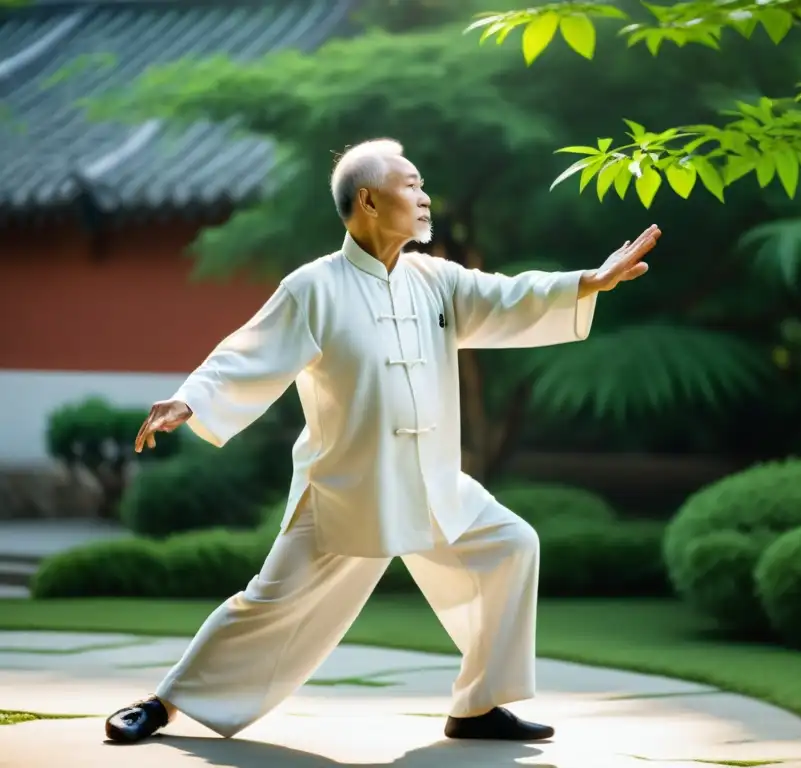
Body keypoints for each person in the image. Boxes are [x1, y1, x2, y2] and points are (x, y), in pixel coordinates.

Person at [104, 138, 661, 745]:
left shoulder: (436, 279)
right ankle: (163, 703)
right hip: (349, 489)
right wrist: (192, 399)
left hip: (434, 485)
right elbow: (249, 352)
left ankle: (477, 707)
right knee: (269, 603)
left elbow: (508, 295)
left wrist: (589, 281)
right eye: (413, 186)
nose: (425, 199)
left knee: (511, 546)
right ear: (368, 200)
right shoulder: (313, 287)